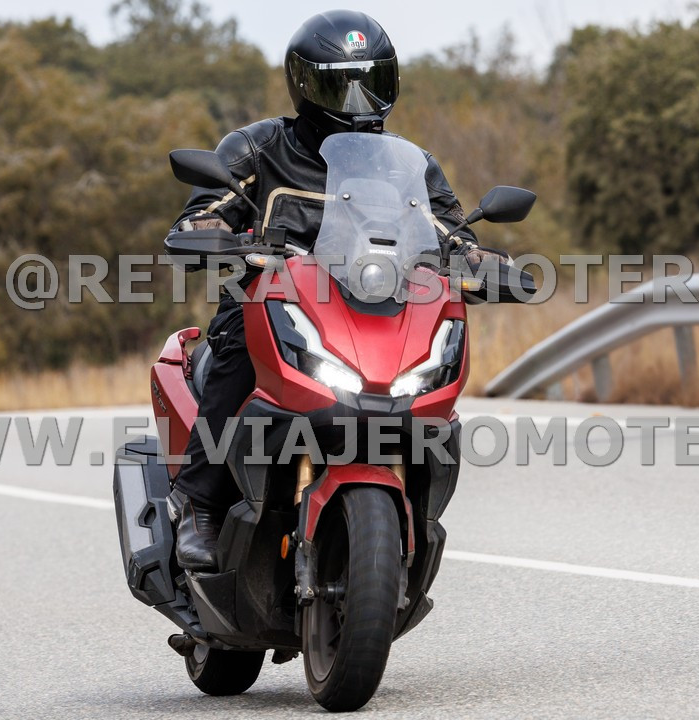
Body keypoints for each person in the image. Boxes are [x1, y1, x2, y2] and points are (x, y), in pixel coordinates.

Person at [166, 9, 501, 571]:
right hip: (271, 304)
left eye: (371, 81)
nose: (356, 99)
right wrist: (209, 228)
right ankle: (200, 505)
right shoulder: (259, 148)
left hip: (369, 309)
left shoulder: (410, 167)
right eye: (338, 83)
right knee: (238, 350)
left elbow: (450, 231)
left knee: (425, 363)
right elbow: (206, 208)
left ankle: (410, 514)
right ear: (303, 83)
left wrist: (484, 261)